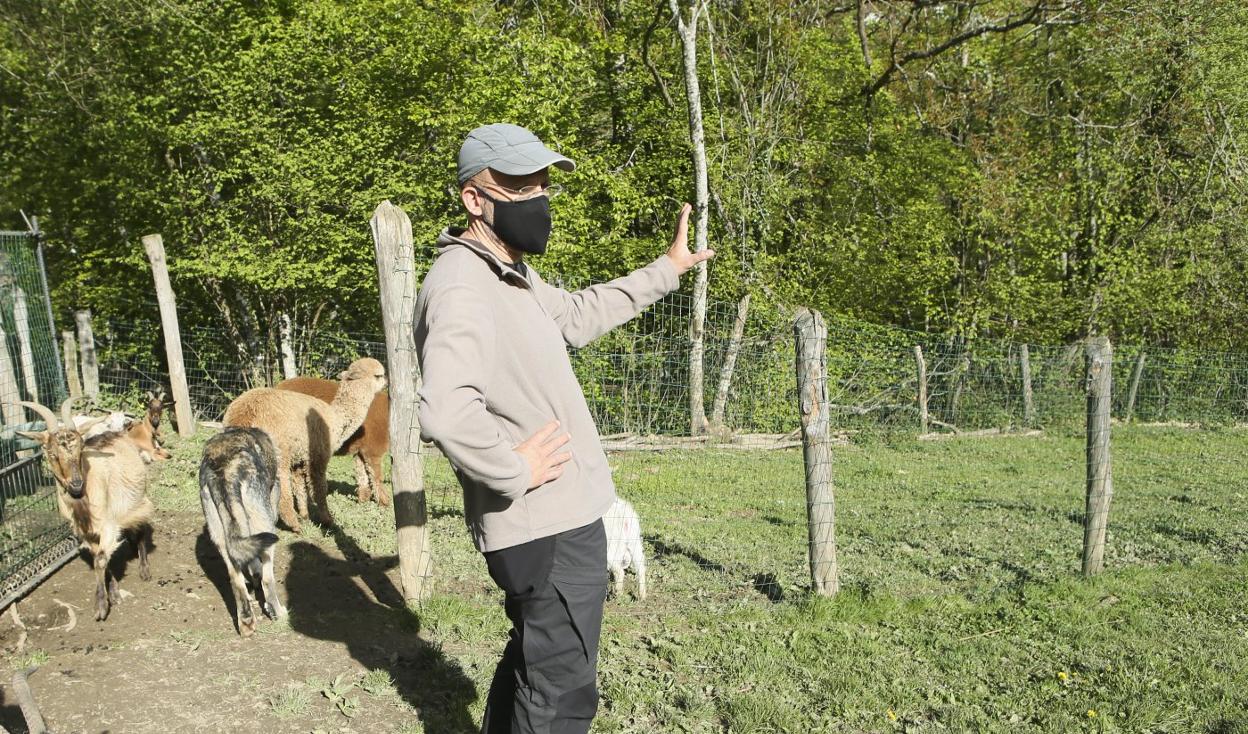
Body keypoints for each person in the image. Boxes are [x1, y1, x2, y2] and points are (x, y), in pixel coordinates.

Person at [413, 122, 713, 733]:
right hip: (543, 524)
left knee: (536, 662)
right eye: (521, 186)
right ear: (475, 199)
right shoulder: (463, 285)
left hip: (558, 519)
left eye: (543, 184)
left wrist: (666, 269)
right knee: (562, 691)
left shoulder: (511, 275)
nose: (539, 199)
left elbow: (574, 316)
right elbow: (445, 408)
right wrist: (513, 467)